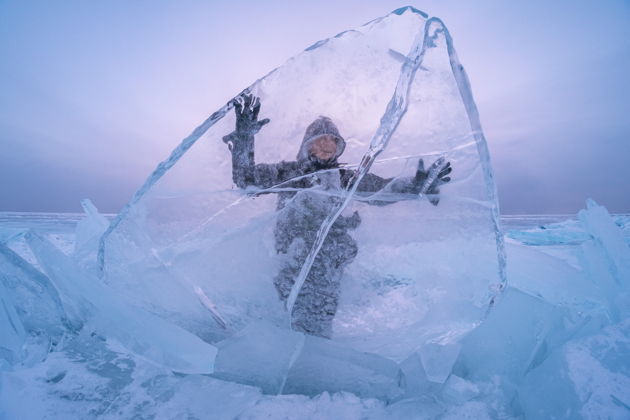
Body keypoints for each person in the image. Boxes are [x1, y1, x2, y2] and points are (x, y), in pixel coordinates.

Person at [223, 94, 452, 338]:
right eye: (319, 139)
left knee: (317, 331)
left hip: (327, 270)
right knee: (289, 326)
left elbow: (380, 191)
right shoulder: (288, 172)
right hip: (292, 264)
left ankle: (314, 363)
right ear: (306, 145)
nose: (327, 144)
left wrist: (417, 185)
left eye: (333, 140)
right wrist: (244, 135)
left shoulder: (344, 178)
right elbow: (246, 180)